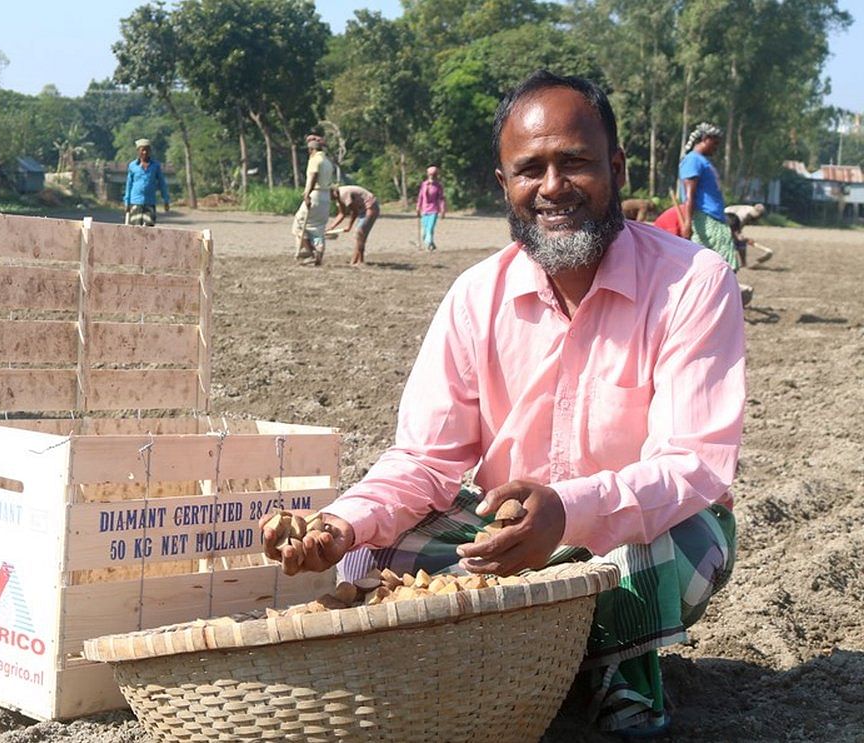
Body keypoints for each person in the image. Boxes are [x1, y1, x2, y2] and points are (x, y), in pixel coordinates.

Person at [261, 71, 745, 738]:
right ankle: (571, 649)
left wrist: (570, 511)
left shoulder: (694, 282)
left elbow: (695, 464)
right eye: (531, 169)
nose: (553, 186)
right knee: (365, 559)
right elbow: (425, 459)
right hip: (503, 536)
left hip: (633, 535)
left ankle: (603, 663)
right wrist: (341, 523)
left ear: (617, 167)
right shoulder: (473, 297)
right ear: (504, 186)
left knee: (684, 544)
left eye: (574, 161)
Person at [678, 123, 738, 270]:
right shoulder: (693, 160)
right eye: (715, 143)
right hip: (705, 218)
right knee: (718, 265)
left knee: (722, 264)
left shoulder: (703, 161)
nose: (716, 148)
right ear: (705, 139)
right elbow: (689, 194)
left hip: (715, 217)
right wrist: (687, 223)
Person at [293, 133, 336, 265]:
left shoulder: (314, 160)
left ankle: (310, 253)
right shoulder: (328, 162)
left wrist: (307, 194)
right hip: (325, 197)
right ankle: (318, 256)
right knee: (318, 228)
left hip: (315, 195)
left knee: (298, 225)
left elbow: (313, 177)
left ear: (311, 150)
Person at [329, 184, 380, 265]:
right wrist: (331, 227)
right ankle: (354, 261)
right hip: (362, 210)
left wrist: (349, 226)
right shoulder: (339, 198)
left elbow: (354, 211)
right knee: (359, 235)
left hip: (370, 207)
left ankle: (360, 260)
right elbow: (342, 214)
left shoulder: (344, 194)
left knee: (360, 233)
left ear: (333, 192)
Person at [124, 138, 170, 227]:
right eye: (142, 150)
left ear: (150, 151)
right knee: (135, 230)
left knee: (149, 230)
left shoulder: (155, 166)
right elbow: (129, 185)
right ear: (138, 151)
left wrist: (166, 200)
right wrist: (127, 202)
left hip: (150, 203)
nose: (145, 152)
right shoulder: (132, 166)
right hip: (135, 202)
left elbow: (162, 184)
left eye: (147, 150)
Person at [416, 166, 447, 251]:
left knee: (430, 229)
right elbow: (420, 197)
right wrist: (418, 207)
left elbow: (441, 199)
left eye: (433, 175)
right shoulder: (424, 184)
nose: (431, 176)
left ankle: (428, 245)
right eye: (430, 174)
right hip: (424, 209)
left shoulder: (438, 186)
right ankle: (431, 244)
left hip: (434, 210)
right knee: (424, 232)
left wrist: (443, 210)